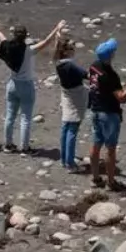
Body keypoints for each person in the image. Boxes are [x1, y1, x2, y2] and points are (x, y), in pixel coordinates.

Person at [0, 17, 67, 153]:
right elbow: (47, 41)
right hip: (26, 86)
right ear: (26, 36)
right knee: (25, 118)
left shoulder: (7, 46)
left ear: (14, 35)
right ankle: (25, 148)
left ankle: (8, 145)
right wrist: (57, 28)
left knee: (10, 116)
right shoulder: (29, 50)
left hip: (12, 84)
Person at [88, 37, 126, 190]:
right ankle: (111, 182)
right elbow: (122, 98)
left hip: (95, 109)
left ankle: (96, 177)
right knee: (110, 149)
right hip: (109, 113)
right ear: (110, 55)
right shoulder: (111, 75)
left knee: (96, 144)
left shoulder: (94, 66)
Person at [51, 37, 89, 171]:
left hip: (66, 96)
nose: (74, 51)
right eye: (72, 48)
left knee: (65, 127)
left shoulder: (58, 62)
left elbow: (57, 48)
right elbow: (87, 75)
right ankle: (70, 164)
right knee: (72, 129)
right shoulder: (71, 65)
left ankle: (64, 159)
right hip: (76, 97)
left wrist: (58, 33)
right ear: (66, 52)